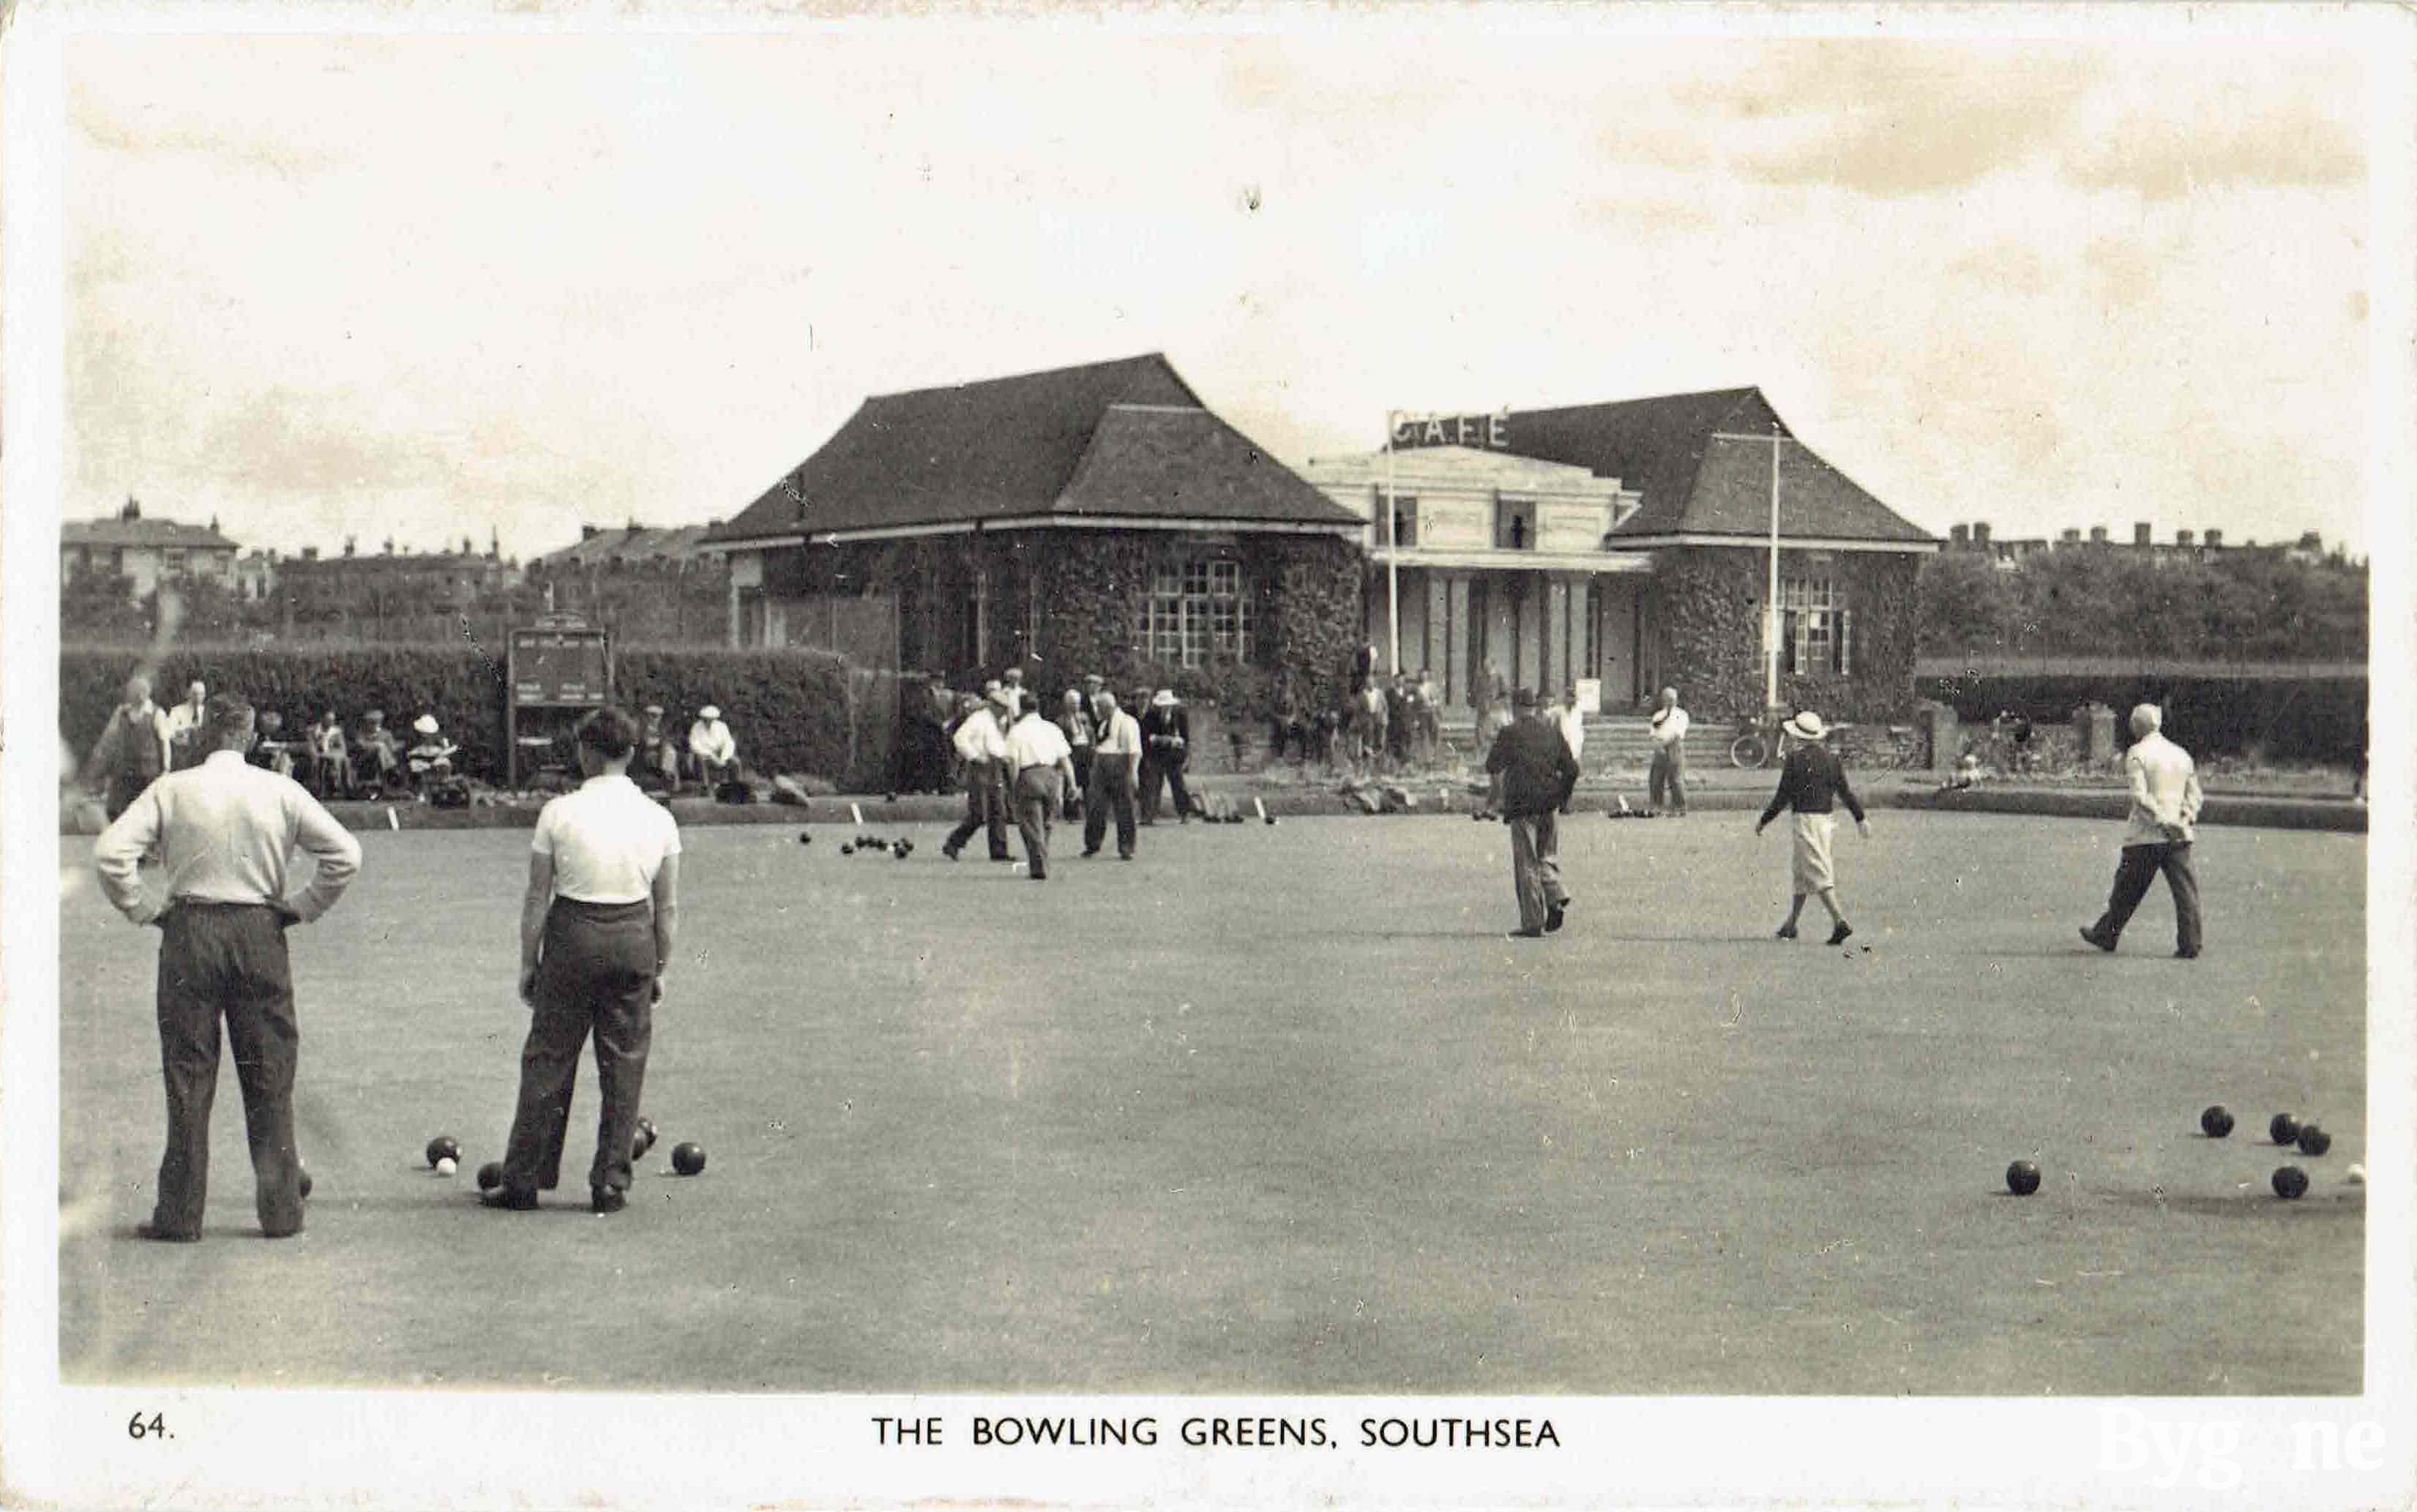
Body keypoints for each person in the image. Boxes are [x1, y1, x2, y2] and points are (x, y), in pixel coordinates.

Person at [91, 692, 362, 1240]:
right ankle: (282, 1212)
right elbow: (346, 855)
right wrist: (305, 905)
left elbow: (109, 853)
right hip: (260, 932)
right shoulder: (279, 790)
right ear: (251, 738)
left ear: (200, 736)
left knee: (189, 1078)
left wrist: (144, 907)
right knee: (270, 1076)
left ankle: (180, 1215)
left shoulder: (173, 789)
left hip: (191, 932)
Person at [489, 706, 681, 1214]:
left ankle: (524, 1180)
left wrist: (529, 964)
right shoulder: (659, 818)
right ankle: (611, 1181)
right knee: (624, 1063)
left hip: (572, 936)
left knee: (549, 1058)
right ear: (632, 753)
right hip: (632, 936)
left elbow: (536, 898)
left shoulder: (558, 812)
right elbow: (668, 906)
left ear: (584, 751)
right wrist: (659, 968)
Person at [2080, 703, 2205, 959]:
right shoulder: (2181, 754)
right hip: (2179, 836)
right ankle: (2191, 943)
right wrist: (2185, 818)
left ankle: (2107, 934)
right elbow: (2195, 795)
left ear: (2137, 726)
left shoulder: (2137, 753)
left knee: (2126, 889)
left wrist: (2161, 822)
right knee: (2186, 892)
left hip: (2146, 836)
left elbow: (2141, 797)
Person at [1755, 711, 1869, 946]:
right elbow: (1845, 792)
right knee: (1802, 872)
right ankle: (1791, 924)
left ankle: (1840, 922)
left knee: (1816, 872)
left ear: (1797, 736)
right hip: (1824, 821)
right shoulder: (1831, 759)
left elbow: (1782, 797)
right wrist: (1860, 818)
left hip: (1804, 821)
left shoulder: (1794, 760)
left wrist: (1764, 820)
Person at [1483, 689, 1581, 939]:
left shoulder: (1510, 733)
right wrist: (1562, 796)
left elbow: (1492, 765)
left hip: (1522, 806)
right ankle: (1556, 893)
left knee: (1527, 862)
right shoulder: (1552, 731)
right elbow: (1572, 769)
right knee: (1547, 856)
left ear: (1516, 708)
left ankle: (1532, 922)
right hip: (1549, 804)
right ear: (1535, 707)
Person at [1004, 698, 1077, 881]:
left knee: (1031, 824)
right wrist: (1073, 784)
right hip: (1051, 775)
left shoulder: (1017, 730)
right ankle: (1042, 861)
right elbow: (1065, 759)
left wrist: (1013, 786)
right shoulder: (1052, 728)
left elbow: (1013, 761)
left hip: (1029, 774)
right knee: (1046, 823)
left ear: (1022, 709)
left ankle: (1039, 866)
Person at [85, 675, 172, 820]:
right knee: (119, 812)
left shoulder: (157, 713)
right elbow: (109, 738)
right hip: (124, 773)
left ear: (142, 694)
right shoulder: (122, 713)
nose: (128, 695)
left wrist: (166, 769)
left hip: (148, 773)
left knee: (148, 813)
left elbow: (165, 743)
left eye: (131, 692)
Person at [942, 689, 1013, 862]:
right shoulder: (978, 719)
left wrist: (1004, 755)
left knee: (999, 810)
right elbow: (960, 738)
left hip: (995, 765)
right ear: (993, 705)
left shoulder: (999, 722)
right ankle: (953, 843)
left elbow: (998, 744)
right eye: (1002, 707)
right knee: (979, 813)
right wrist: (974, 756)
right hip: (980, 767)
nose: (1004, 711)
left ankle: (999, 851)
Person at [1084, 691, 1143, 860]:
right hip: (1102, 764)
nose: (1097, 710)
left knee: (1124, 808)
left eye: (1099, 707)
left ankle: (1126, 847)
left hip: (1120, 765)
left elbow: (1134, 751)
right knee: (1096, 806)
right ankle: (1093, 844)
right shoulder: (1103, 724)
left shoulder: (1127, 723)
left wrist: (1133, 773)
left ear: (1108, 707)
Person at [1139, 688, 1194, 823]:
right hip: (1155, 754)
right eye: (1162, 706)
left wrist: (1184, 753)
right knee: (1153, 784)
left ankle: (1185, 814)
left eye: (1168, 706)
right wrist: (1162, 739)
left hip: (1174, 755)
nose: (1165, 708)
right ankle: (1149, 816)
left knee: (1178, 784)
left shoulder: (1181, 714)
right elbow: (1146, 738)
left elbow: (1185, 737)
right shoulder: (1150, 715)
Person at [1647, 686, 1689, 817]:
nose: (1670, 701)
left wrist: (1664, 745)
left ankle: (1680, 807)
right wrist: (1657, 747)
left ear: (1676, 700)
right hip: (1660, 747)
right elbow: (1653, 733)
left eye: (1672, 699)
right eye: (1667, 698)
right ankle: (1657, 806)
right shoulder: (1658, 716)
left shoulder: (1681, 715)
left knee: (1676, 779)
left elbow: (1678, 734)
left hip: (1674, 747)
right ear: (1663, 700)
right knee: (1656, 779)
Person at [1055, 688, 1096, 804]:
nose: (1076, 706)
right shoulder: (1061, 721)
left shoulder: (1085, 717)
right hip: (1072, 752)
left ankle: (1089, 808)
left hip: (1086, 751)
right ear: (1067, 704)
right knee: (1071, 781)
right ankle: (1071, 811)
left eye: (1078, 703)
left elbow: (1091, 732)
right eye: (1073, 703)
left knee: (1088, 781)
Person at [1553, 686, 1587, 812]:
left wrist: (1579, 751)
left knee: (1572, 774)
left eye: (1573, 697)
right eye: (1569, 697)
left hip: (1573, 750)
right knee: (1558, 776)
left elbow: (1579, 732)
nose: (1571, 700)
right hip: (1559, 749)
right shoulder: (1558, 712)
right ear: (1565, 699)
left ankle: (1564, 802)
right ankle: (1557, 802)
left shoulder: (1578, 712)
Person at [163, 681, 211, 771]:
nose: (198, 697)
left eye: (201, 694)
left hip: (201, 755)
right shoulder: (177, 711)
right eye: (195, 694)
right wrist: (187, 729)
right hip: (183, 755)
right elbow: (169, 732)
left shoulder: (207, 713)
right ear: (189, 694)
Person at [687, 704, 738, 786]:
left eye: (711, 719)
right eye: (706, 719)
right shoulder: (696, 727)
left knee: (735, 762)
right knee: (702, 761)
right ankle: (706, 787)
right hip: (704, 755)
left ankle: (738, 787)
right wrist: (711, 755)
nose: (708, 721)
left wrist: (723, 758)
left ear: (715, 719)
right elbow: (694, 745)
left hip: (720, 754)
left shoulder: (722, 726)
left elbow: (729, 743)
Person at [354, 709, 405, 793]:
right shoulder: (362, 734)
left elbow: (392, 748)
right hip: (365, 759)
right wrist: (374, 745)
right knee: (380, 747)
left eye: (376, 722)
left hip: (381, 759)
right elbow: (360, 746)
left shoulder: (386, 734)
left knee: (381, 748)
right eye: (371, 722)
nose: (374, 725)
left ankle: (387, 771)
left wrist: (400, 745)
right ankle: (391, 770)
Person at [636, 705, 682, 793]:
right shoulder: (643, 728)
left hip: (662, 751)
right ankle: (670, 778)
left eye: (657, 717)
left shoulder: (662, 729)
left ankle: (670, 777)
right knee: (669, 753)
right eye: (652, 716)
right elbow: (643, 742)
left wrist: (663, 743)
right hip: (648, 751)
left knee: (671, 752)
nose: (654, 719)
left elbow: (667, 740)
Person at [308, 710, 353, 798]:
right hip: (318, 756)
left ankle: (341, 787)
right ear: (322, 719)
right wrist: (319, 754)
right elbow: (311, 748)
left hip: (334, 756)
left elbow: (343, 749)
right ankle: (333, 787)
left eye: (332, 720)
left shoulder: (337, 732)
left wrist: (330, 754)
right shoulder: (312, 731)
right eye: (328, 720)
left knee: (341, 760)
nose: (331, 722)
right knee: (325, 762)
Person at [408, 714, 459, 786]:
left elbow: (449, 750)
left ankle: (442, 779)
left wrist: (442, 753)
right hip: (424, 763)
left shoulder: (442, 740)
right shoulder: (419, 744)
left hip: (437, 763)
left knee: (442, 763)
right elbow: (415, 753)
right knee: (415, 765)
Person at [250, 711, 298, 777]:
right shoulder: (254, 737)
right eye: (271, 716)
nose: (272, 715)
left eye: (272, 718)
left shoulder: (276, 743)